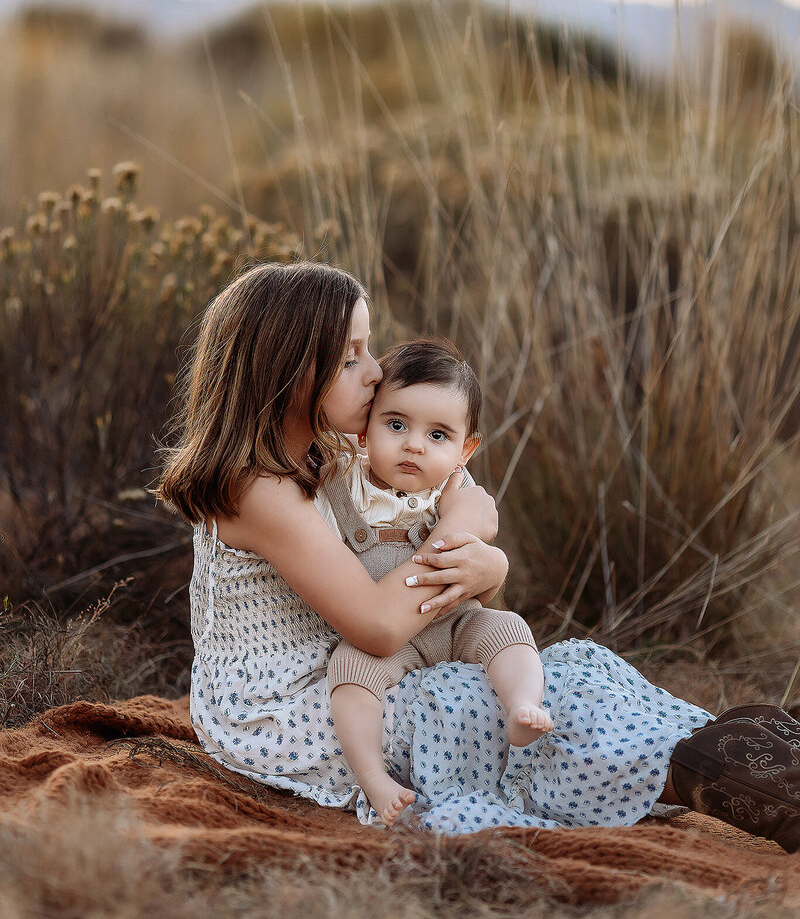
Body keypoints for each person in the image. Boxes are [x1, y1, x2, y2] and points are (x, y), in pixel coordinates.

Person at [157, 260, 800, 850]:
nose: (376, 369)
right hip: (288, 709)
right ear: (289, 368)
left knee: (565, 675)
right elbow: (379, 626)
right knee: (491, 711)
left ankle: (749, 749)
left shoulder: (335, 449)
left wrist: (487, 557)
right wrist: (461, 543)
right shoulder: (257, 487)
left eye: (368, 346)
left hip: (361, 666)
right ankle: (739, 780)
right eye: (351, 355)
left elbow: (461, 493)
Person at [316, 339, 552, 824]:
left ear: (467, 449)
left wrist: (492, 565)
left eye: (439, 435)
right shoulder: (340, 480)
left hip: (454, 621)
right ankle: (375, 779)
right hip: (387, 643)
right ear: (365, 431)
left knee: (507, 631)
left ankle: (523, 705)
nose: (414, 445)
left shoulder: (458, 493)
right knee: (349, 673)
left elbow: (477, 571)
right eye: (396, 425)